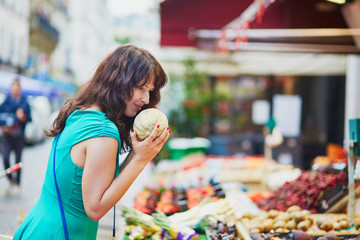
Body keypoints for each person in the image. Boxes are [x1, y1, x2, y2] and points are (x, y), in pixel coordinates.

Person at [14, 44, 170, 239]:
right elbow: (95, 208)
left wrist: (137, 153)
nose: (146, 99)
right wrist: (140, 160)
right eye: (141, 88)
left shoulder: (81, 113)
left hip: (40, 226)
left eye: (150, 90)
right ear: (118, 81)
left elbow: (98, 186)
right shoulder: (104, 131)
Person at [0, 78, 31, 196]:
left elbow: (29, 118)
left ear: (19, 90)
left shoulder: (24, 102)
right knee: (5, 157)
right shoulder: (6, 101)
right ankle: (10, 180)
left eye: (16, 89)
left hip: (18, 136)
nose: (14, 91)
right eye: (13, 89)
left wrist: (22, 117)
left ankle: (17, 183)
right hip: (7, 135)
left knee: (18, 160)